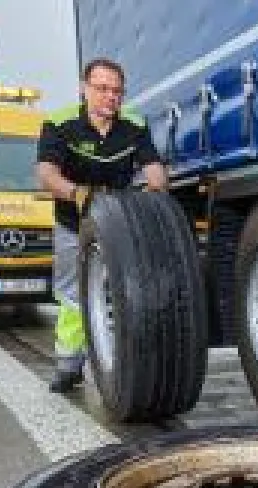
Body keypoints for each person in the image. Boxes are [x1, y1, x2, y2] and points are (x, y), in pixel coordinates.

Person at [35, 57, 167, 393]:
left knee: (123, 291)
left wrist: (155, 189)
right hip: (72, 222)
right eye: (102, 89)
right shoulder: (59, 123)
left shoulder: (134, 125)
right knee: (71, 295)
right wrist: (74, 193)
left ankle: (121, 362)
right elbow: (46, 174)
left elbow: (153, 169)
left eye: (117, 91)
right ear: (85, 89)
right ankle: (68, 365)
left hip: (118, 225)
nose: (111, 96)